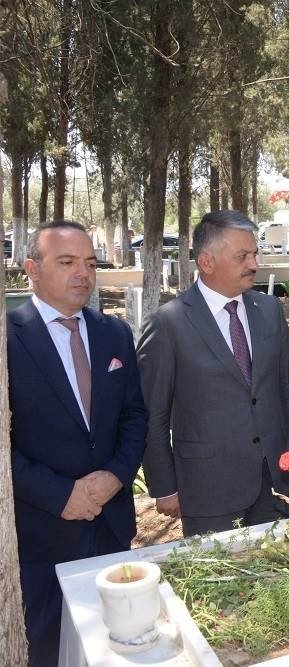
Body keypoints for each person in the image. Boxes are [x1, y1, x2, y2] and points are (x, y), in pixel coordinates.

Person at [9, 220, 148, 666]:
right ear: (32, 268)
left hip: (109, 525)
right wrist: (60, 495)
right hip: (42, 536)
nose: (83, 274)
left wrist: (115, 475)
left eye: (89, 263)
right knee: (48, 651)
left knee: (118, 645)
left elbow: (135, 416)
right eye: (67, 262)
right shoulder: (7, 338)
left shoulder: (114, 334)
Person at [137, 210, 289, 536]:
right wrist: (164, 486)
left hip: (274, 482)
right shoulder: (167, 324)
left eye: (255, 254)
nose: (254, 264)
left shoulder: (269, 311)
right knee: (220, 584)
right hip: (208, 491)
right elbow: (152, 415)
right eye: (242, 256)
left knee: (279, 578)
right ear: (207, 262)